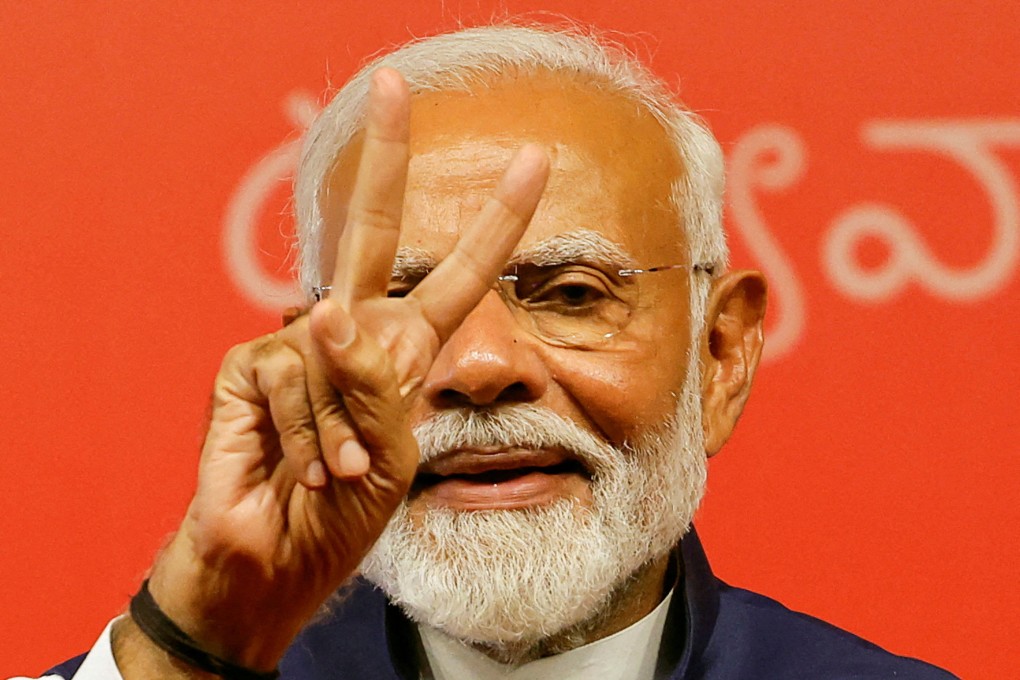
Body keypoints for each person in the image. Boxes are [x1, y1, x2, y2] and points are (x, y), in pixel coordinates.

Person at [31, 23, 954, 680]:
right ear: (302, 372)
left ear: (720, 355)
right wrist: (191, 648)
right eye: (403, 306)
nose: (478, 368)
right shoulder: (186, 668)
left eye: (572, 295)